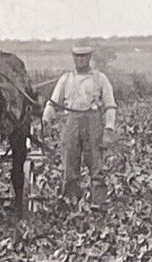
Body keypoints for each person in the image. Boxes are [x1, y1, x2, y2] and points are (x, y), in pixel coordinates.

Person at [42, 43, 117, 207]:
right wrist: (46, 120)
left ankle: (98, 202)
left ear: (89, 57)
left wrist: (109, 129)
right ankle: (71, 201)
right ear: (73, 57)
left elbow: (110, 105)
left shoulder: (100, 78)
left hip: (93, 121)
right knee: (70, 162)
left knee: (96, 163)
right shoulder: (66, 79)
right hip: (72, 121)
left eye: (84, 56)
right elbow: (53, 102)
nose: (80, 59)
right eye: (77, 56)